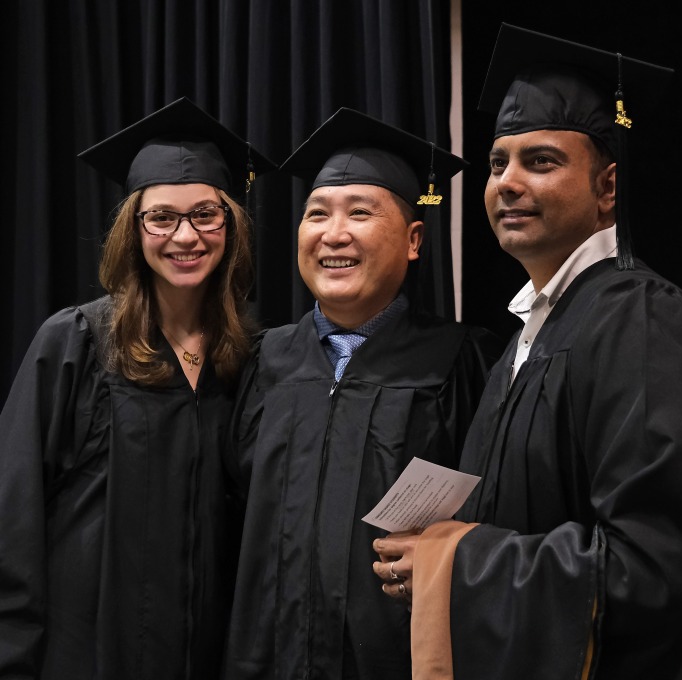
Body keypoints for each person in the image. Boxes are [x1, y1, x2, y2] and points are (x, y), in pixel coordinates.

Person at [372, 24, 682, 680]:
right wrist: (430, 562)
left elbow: (656, 570)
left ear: (607, 187)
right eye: (497, 165)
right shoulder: (528, 338)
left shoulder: (637, 319)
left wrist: (457, 563)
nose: (508, 183)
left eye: (541, 161)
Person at [220, 107, 503, 680]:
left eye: (360, 213)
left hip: (399, 660)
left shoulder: (463, 360)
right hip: (264, 657)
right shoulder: (262, 359)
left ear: (414, 239)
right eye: (316, 214)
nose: (334, 233)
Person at [0, 97, 275, 679]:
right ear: (135, 229)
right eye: (162, 218)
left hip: (203, 654)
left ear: (230, 224)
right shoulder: (74, 342)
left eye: (205, 214)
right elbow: (13, 513)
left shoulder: (249, 357)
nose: (186, 236)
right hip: (84, 654)